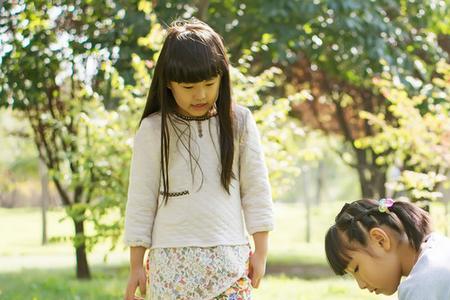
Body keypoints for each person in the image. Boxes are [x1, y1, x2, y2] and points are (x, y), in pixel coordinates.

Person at [123, 18, 274, 300]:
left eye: (209, 83)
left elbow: (256, 190)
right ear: (168, 83)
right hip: (172, 266)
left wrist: (261, 252)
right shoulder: (154, 130)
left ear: (222, 78)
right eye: (188, 87)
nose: (201, 95)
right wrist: (136, 266)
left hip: (229, 263)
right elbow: (140, 201)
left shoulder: (239, 122)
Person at [325, 198, 450, 299]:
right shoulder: (440, 247)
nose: (361, 285)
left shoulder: (420, 285)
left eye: (357, 269)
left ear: (380, 240)